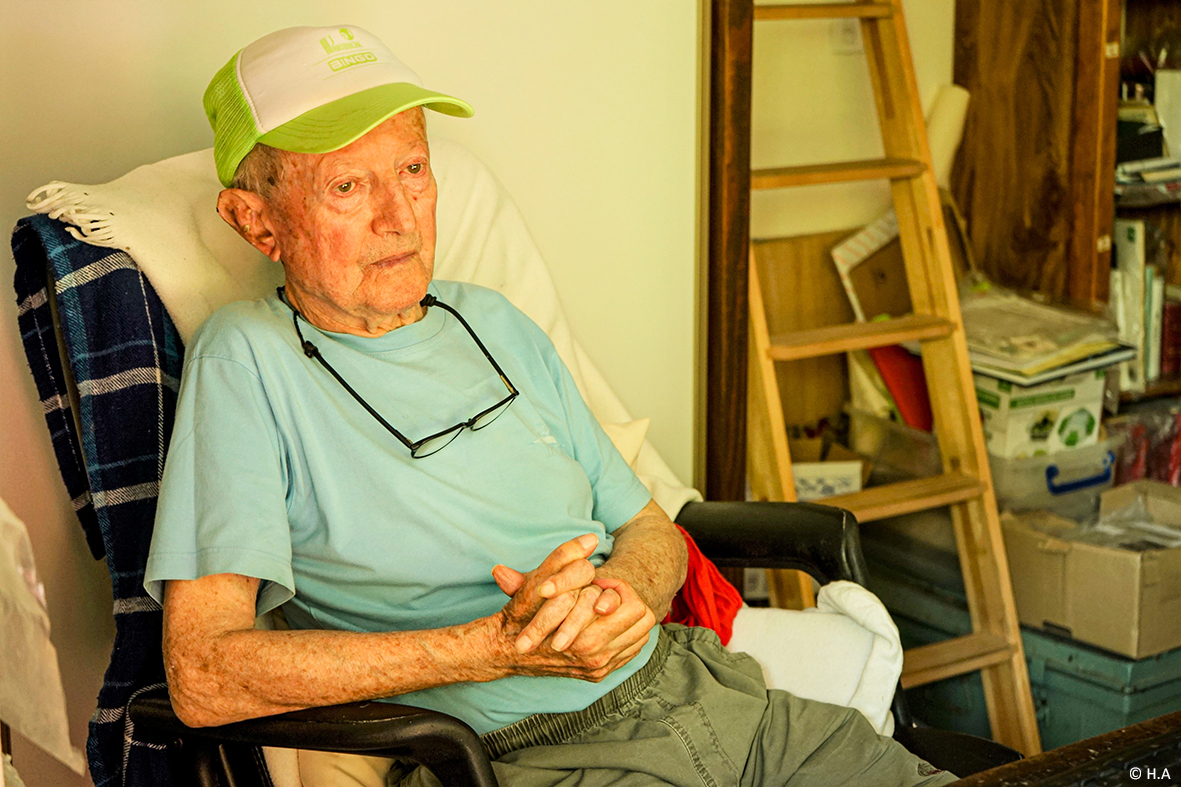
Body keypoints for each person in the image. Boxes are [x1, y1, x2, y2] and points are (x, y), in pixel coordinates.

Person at [145, 24, 957, 787]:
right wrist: (493, 647)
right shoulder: (246, 360)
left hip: (703, 691)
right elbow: (203, 673)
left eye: (413, 169)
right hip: (524, 755)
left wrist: (626, 594)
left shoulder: (494, 321)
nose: (398, 217)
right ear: (256, 223)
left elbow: (649, 528)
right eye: (347, 186)